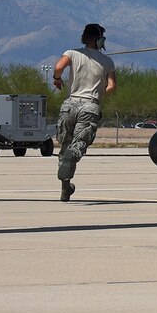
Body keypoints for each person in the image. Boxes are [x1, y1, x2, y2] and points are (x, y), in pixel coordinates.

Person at [52, 22, 116, 201]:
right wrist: (98, 93)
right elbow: (111, 86)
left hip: (69, 104)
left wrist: (57, 80)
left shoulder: (72, 53)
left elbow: (58, 68)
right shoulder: (107, 62)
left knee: (64, 146)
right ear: (99, 40)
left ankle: (66, 188)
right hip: (90, 106)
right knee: (78, 144)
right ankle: (74, 154)